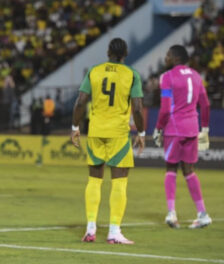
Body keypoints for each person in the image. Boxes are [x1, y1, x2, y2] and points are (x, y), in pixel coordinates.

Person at [70, 38, 145, 244]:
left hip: (95, 130)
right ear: (125, 54)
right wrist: (142, 132)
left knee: (94, 179)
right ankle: (113, 231)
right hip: (119, 133)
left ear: (108, 52)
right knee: (119, 181)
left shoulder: (94, 71)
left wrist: (75, 127)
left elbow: (80, 102)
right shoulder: (131, 74)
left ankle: (90, 229)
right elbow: (137, 109)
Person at [153, 45, 211, 229]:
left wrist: (158, 128)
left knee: (171, 168)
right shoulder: (196, 76)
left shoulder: (167, 77)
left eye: (168, 55)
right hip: (192, 128)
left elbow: (164, 108)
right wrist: (205, 129)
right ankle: (202, 214)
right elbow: (206, 104)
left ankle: (171, 213)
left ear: (175, 58)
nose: (165, 58)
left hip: (174, 128)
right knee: (189, 170)